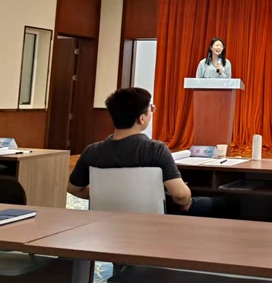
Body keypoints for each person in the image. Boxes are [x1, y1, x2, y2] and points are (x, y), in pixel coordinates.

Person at [67, 87, 220, 217]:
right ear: (142, 119)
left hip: (107, 221)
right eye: (150, 109)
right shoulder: (156, 150)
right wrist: (187, 203)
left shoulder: (92, 152)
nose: (152, 112)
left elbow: (73, 188)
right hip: (158, 219)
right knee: (222, 203)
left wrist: (105, 195)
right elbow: (180, 195)